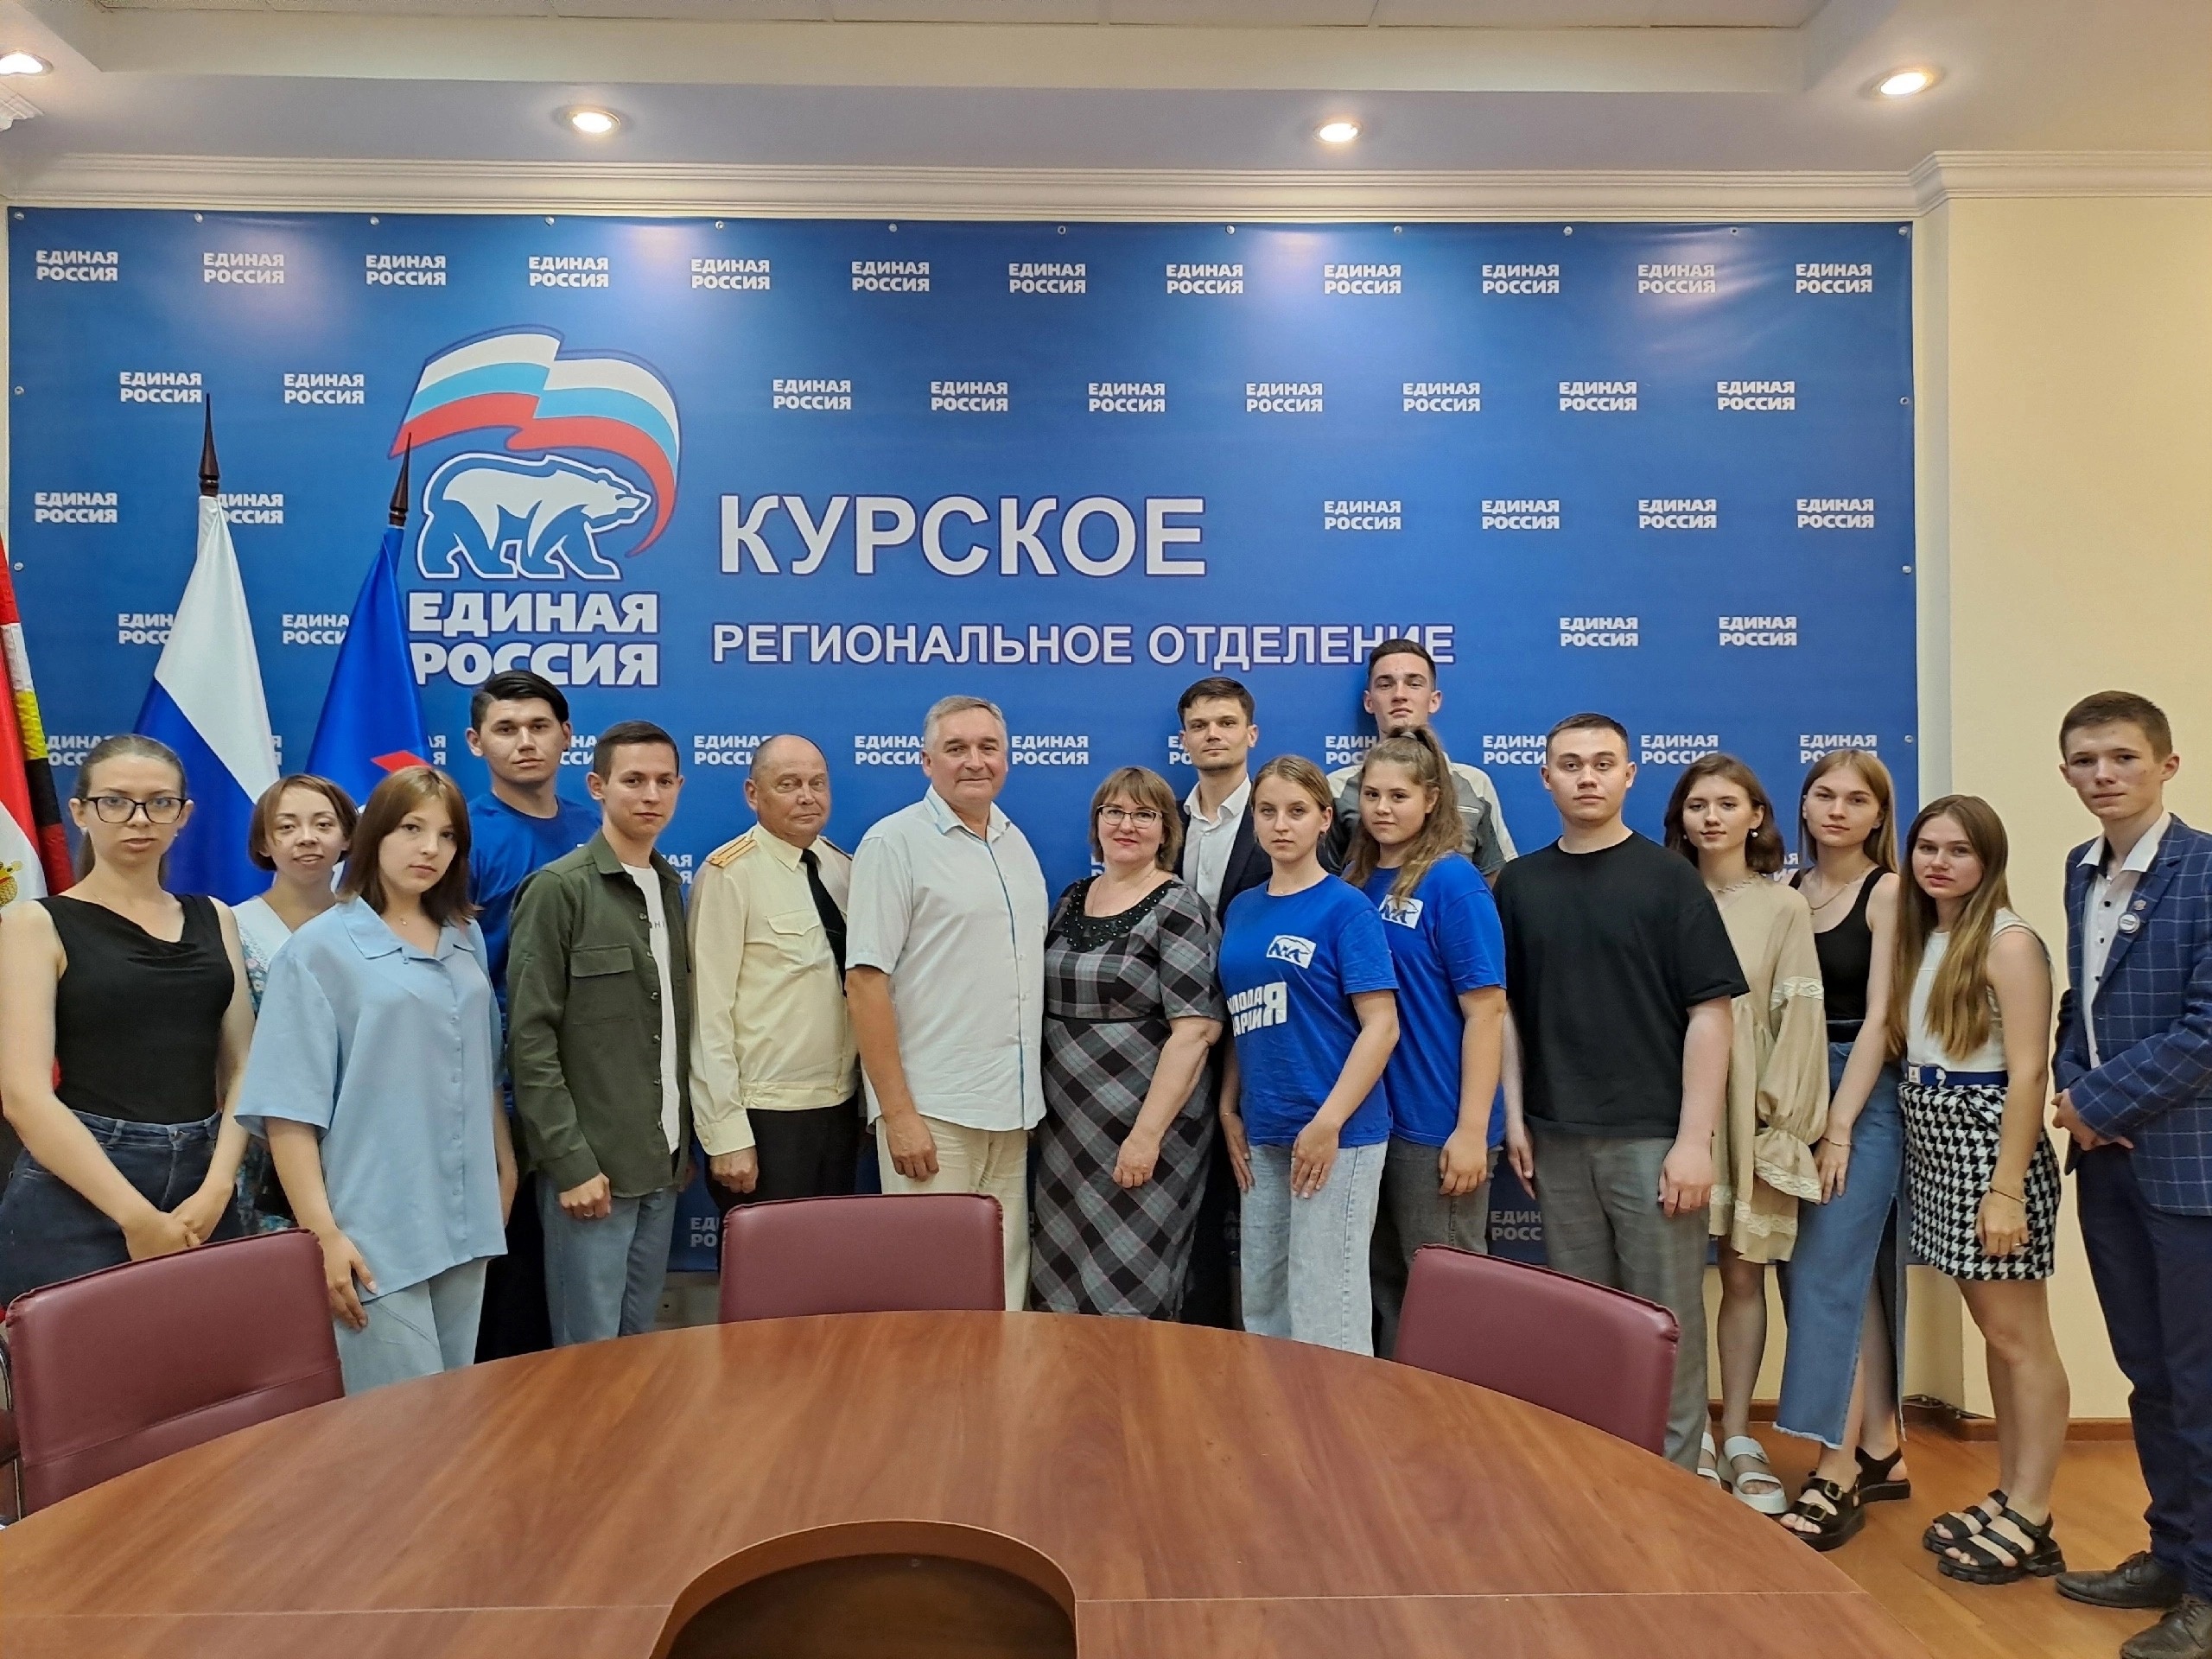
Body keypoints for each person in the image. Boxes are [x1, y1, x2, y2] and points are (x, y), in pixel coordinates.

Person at [1494, 714, 1742, 1473]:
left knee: (1665, 1323)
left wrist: (1694, 1141)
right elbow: (1504, 1012)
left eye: (1604, 763)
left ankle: (1676, 1482)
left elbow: (1711, 1014)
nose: (1587, 777)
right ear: (1546, 777)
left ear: (1630, 775)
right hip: (1557, 1137)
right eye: (1570, 764)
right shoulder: (1520, 884)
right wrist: (1514, 1115)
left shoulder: (1670, 880)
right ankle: (1599, 1480)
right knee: (1584, 1324)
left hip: (1653, 1142)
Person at [238, 766, 517, 1394]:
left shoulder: (464, 936)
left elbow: (480, 1065)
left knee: (455, 1410)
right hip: (374, 1225)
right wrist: (323, 1235)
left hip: (467, 1213)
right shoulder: (318, 950)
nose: (429, 849)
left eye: (447, 835)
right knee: (397, 1427)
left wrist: (504, 1171)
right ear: (373, 836)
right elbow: (287, 1112)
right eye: (411, 829)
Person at [2047, 692, 2212, 1659]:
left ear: (2167, 765)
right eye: (2084, 760)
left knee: (2200, 1383)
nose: (2102, 775)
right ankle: (2171, 1554)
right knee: (2148, 1374)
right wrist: (2072, 1087)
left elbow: (2207, 1029)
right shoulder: (2081, 868)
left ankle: (2208, 1592)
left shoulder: (2208, 870)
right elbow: (2087, 1004)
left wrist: (2096, 1103)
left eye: (2121, 757)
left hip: (2188, 1169)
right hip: (2107, 1168)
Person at [0, 735, 254, 1306]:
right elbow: (23, 1095)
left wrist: (219, 1186)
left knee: (204, 1356)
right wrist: (135, 1217)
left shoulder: (215, 917)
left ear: (183, 815)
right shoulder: (35, 924)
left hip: (204, 1181)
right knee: (82, 1362)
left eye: (160, 803)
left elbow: (243, 1065)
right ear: (80, 812)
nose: (139, 819)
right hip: (82, 1182)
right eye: (115, 802)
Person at [1891, 794, 2069, 1585]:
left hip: (1988, 1141)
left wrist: (2005, 1192)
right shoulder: (1928, 935)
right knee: (1996, 1336)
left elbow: (2029, 1071)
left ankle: (2034, 1513)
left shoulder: (2009, 941)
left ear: (1988, 860)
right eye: (1928, 847)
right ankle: (2010, 1491)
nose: (1939, 862)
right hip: (1933, 1135)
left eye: (1959, 850)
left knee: (2020, 1337)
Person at [1662, 754, 1827, 1511]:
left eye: (1728, 804)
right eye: (1698, 804)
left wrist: (1780, 1122)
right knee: (1669, 1276)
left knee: (1740, 1272)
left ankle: (1736, 1431)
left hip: (1749, 1108)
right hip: (1667, 1100)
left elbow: (1799, 1019)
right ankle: (1687, 1429)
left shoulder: (1783, 906)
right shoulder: (1659, 891)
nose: (1712, 818)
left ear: (1757, 816)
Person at [847, 696, 1049, 1309]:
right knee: (932, 1298)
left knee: (1002, 1291)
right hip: (933, 1114)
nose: (974, 761)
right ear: (926, 761)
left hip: (1011, 1115)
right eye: (956, 748)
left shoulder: (1016, 844)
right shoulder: (894, 843)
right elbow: (865, 983)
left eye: (988, 747)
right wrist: (899, 1115)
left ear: (1007, 758)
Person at [507, 722, 693, 1347]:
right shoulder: (559, 890)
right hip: (593, 1174)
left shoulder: (669, 888)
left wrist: (679, 1149)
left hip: (660, 1165)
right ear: (597, 786)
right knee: (585, 1359)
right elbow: (530, 1041)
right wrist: (570, 1163)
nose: (651, 795)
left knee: (638, 1348)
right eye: (633, 780)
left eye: (664, 781)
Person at [1777, 750, 1913, 1550]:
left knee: (1828, 1278)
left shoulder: (1887, 891)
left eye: (1856, 799)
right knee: (1843, 1280)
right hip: (1792, 1087)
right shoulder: (1788, 889)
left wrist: (1838, 1128)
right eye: (1824, 795)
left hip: (1861, 1094)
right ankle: (1882, 1444)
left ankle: (1836, 1473)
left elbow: (1883, 1019)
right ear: (1803, 804)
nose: (1837, 809)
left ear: (1879, 815)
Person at [1217, 754, 1399, 1354]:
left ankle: (1339, 1419)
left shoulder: (1346, 907)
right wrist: (1228, 1106)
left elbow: (1381, 1026)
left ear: (1324, 819)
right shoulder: (1243, 908)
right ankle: (1275, 1414)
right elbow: (1245, 1013)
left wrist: (1328, 1123)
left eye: (1297, 811)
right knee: (1264, 1303)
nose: (1281, 824)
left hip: (1336, 1135)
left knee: (1327, 1309)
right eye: (1267, 811)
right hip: (1265, 1130)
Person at [1031, 766, 1224, 1318]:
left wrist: (1146, 1137)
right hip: (1067, 1131)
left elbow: (1196, 1032)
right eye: (1114, 812)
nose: (1127, 825)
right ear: (1097, 823)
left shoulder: (1178, 907)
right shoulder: (1072, 899)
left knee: (1131, 1284)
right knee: (1059, 1273)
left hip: (1145, 1129)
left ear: (1166, 831)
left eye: (1144, 815)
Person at [1341, 727, 1505, 1357]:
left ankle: (1464, 1416)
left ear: (1432, 799)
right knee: (1387, 1287)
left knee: (1446, 1295)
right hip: (1374, 1119)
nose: (1383, 809)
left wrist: (1471, 1131)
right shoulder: (1356, 880)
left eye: (1399, 796)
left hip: (1437, 1122)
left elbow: (1487, 1011)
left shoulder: (1452, 882)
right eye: (1372, 795)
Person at [464, 669, 601, 1362]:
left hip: (594, 1084)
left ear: (567, 736)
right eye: (506, 729)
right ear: (476, 742)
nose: (525, 742)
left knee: (584, 1277)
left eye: (540, 727)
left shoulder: (598, 827)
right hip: (501, 1089)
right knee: (510, 1282)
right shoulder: (459, 837)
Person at [689, 734, 861, 1209]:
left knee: (830, 1251)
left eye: (817, 783)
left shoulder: (843, 869)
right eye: (788, 784)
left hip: (840, 1107)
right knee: (766, 1255)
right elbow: (707, 1015)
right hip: (765, 1115)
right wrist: (726, 1133)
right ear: (753, 794)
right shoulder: (729, 875)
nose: (807, 796)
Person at [1173, 675, 1271, 1328]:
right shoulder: (1165, 822)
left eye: (1226, 723)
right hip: (1180, 1040)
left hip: (1264, 1039)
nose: (1213, 735)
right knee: (1195, 1209)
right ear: (1184, 739)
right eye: (1200, 725)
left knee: (1265, 1205)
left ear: (1250, 735)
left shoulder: (1280, 816)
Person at [232, 773, 359, 1230]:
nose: (307, 838)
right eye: (287, 827)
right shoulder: (233, 926)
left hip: (359, 1135)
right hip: (262, 1141)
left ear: (347, 837)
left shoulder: (369, 926)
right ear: (264, 842)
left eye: (323, 824)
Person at [1322, 638, 1515, 880]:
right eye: (1386, 685)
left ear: (1434, 700)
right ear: (1369, 702)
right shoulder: (1337, 788)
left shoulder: (1475, 784)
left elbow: (1496, 877)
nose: (1399, 695)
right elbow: (1320, 881)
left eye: (1414, 684)